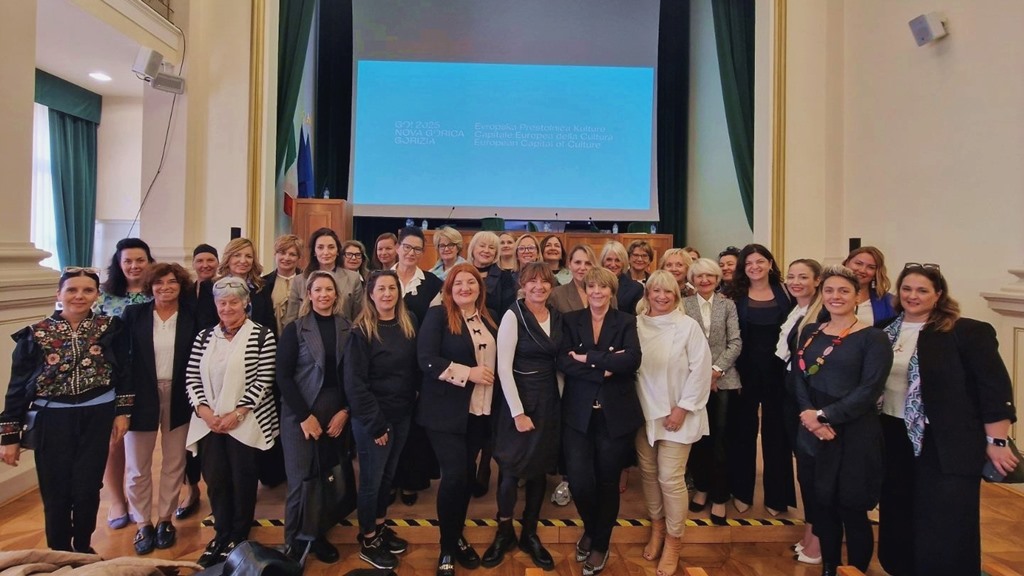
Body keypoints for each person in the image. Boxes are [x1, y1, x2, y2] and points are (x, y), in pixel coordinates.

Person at [877, 264, 1017, 576]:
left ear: (938, 294)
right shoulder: (884, 330)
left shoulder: (965, 332)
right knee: (900, 508)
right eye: (907, 289)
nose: (913, 296)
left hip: (946, 441)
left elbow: (993, 389)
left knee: (945, 518)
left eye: (922, 290)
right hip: (893, 433)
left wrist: (996, 441)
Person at [0, 267, 131, 554]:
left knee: (88, 487)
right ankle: (58, 552)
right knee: (55, 488)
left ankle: (83, 548)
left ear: (96, 295)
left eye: (87, 290)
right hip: (52, 419)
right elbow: (17, 386)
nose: (79, 296)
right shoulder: (35, 334)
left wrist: (122, 411)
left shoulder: (111, 328)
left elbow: (124, 371)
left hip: (97, 416)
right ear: (58, 294)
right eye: (72, 290)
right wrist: (9, 436)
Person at [791, 266, 893, 575]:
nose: (836, 296)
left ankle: (856, 569)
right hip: (812, 430)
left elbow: (869, 389)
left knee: (851, 507)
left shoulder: (873, 338)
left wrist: (825, 416)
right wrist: (810, 417)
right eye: (829, 290)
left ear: (857, 296)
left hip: (853, 433)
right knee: (822, 504)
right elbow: (799, 377)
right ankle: (829, 566)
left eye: (844, 291)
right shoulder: (811, 332)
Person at [185, 277, 279, 568]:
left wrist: (236, 413)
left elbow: (264, 380)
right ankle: (221, 532)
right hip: (209, 422)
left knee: (243, 479)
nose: (227, 308)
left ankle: (239, 535)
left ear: (246, 303)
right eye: (222, 303)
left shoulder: (262, 335)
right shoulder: (204, 336)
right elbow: (192, 376)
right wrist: (204, 411)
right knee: (216, 479)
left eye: (233, 302)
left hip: (245, 420)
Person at [558, 267, 643, 575]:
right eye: (591, 286)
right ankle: (593, 529)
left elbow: (631, 359)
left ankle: (599, 543)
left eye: (602, 287)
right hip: (578, 414)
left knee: (608, 481)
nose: (596, 292)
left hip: (614, 414)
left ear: (611, 291)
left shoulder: (626, 321)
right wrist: (606, 366)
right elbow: (563, 361)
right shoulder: (570, 320)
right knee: (580, 480)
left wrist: (588, 358)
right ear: (585, 290)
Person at [420, 264, 499, 576]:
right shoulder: (437, 316)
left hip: (479, 413)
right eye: (458, 283)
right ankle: (447, 547)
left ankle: (456, 534)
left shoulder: (489, 318)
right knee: (454, 477)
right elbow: (426, 360)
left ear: (480, 288)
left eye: (471, 282)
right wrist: (468, 374)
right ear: (449, 289)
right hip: (445, 413)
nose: (465, 288)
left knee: (466, 477)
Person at [635, 270, 712, 576]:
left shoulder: (687, 326)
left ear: (677, 296)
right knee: (649, 474)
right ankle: (657, 528)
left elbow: (701, 370)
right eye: (656, 291)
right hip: (644, 414)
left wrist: (682, 408)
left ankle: (674, 540)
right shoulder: (636, 325)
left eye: (668, 292)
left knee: (670, 478)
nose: (662, 296)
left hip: (678, 415)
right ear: (647, 294)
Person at [120, 263, 199, 555]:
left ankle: (165, 519)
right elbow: (123, 360)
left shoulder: (192, 316)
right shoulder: (134, 315)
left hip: (179, 395)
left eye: (172, 282)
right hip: (141, 396)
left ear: (181, 285)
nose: (165, 287)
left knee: (174, 461)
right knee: (137, 465)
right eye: (159, 283)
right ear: (150, 286)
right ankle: (143, 522)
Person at [276, 271, 353, 564]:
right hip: (301, 411)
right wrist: (305, 416)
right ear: (309, 294)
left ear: (336, 295)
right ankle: (293, 542)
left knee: (326, 477)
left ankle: (318, 534)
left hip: (335, 412)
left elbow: (353, 375)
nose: (323, 295)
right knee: (300, 480)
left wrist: (345, 411)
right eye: (317, 290)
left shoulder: (347, 327)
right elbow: (283, 377)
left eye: (328, 290)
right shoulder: (295, 329)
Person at [491, 263, 563, 570]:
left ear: (551, 286)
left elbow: (558, 364)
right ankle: (504, 530)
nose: (538, 286)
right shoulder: (513, 315)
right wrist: (518, 412)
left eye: (544, 281)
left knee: (539, 469)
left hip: (548, 400)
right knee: (511, 468)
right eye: (532, 281)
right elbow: (503, 368)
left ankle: (529, 532)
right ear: (522, 284)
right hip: (518, 400)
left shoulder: (556, 316)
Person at [345, 270, 418, 569]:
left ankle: (379, 525)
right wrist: (375, 424)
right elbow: (355, 384)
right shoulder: (361, 331)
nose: (387, 294)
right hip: (373, 419)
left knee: (388, 477)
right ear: (371, 295)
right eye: (381, 289)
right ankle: (368, 539)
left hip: (402, 414)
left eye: (392, 288)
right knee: (371, 482)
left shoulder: (408, 321)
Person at [725, 244, 795, 516]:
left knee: (777, 434)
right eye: (749, 263)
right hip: (744, 373)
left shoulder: (786, 292)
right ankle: (741, 492)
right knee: (742, 432)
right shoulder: (733, 295)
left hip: (779, 374)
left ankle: (777, 497)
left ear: (770, 263)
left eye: (760, 261)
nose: (754, 267)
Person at [96, 238, 154, 531]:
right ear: (119, 264)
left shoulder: (159, 292)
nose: (134, 266)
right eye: (128, 261)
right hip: (116, 376)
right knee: (115, 439)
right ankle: (118, 500)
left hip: (153, 373)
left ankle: (145, 500)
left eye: (140, 260)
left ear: (149, 262)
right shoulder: (104, 298)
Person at [682, 259, 742, 526]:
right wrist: (701, 374)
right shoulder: (683, 305)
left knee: (720, 441)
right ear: (692, 279)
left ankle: (719, 496)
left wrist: (715, 371)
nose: (704, 280)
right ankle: (702, 488)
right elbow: (681, 343)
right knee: (698, 440)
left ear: (718, 279)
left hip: (723, 380)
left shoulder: (728, 305)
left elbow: (735, 342)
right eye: (699, 276)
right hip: (692, 381)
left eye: (710, 275)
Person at [777, 258, 824, 564]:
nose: (795, 282)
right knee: (805, 469)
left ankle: (818, 540)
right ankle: (810, 531)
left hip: (810, 398)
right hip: (792, 392)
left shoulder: (822, 315)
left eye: (803, 277)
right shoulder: (796, 309)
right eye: (791, 276)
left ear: (817, 280)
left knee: (814, 469)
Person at [392, 226, 443, 505]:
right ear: (397, 247)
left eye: (417, 249)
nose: (411, 253)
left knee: (414, 427)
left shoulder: (433, 284)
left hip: (419, 363)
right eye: (407, 247)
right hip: (385, 364)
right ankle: (389, 481)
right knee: (388, 425)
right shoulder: (380, 279)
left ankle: (411, 481)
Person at [180, 244, 220, 519]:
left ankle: (217, 489)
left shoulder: (220, 289)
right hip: (187, 365)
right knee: (187, 433)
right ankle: (191, 488)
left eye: (210, 260)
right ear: (194, 263)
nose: (205, 264)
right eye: (200, 260)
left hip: (216, 366)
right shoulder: (185, 290)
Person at [285, 228, 364, 325]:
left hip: (343, 332)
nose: (326, 252)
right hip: (307, 333)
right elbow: (291, 320)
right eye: (320, 247)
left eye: (331, 247)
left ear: (338, 251)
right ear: (314, 252)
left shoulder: (353, 278)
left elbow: (358, 317)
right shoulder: (299, 280)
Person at [843, 246, 897, 326]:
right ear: (847, 263)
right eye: (858, 263)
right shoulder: (828, 296)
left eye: (871, 267)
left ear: (876, 273)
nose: (862, 270)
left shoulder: (890, 302)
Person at [468, 231, 516, 316]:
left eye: (491, 247)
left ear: (496, 253)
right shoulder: (461, 273)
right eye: (482, 246)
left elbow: (508, 311)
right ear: (472, 249)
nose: (486, 250)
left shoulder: (505, 277)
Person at [263, 234, 303, 336]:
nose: (286, 258)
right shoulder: (263, 284)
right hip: (272, 339)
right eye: (282, 253)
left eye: (292, 254)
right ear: (275, 254)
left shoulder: (307, 281)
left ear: (299, 257)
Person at [550, 244, 597, 314]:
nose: (582, 268)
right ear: (569, 264)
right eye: (578, 262)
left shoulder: (605, 293)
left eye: (588, 263)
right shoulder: (557, 295)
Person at [599, 241, 643, 314]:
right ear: (602, 261)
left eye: (617, 260)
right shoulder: (593, 285)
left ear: (623, 263)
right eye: (609, 259)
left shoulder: (636, 288)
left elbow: (635, 318)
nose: (613, 264)